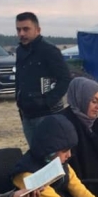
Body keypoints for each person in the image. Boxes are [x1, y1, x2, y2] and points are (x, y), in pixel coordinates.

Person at [15, 12, 71, 146]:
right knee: (35, 154)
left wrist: (48, 101)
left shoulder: (49, 51)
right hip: (27, 114)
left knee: (52, 155)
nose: (22, 33)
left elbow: (64, 78)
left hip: (48, 115)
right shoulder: (20, 51)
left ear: (37, 30)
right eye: (18, 29)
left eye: (26, 29)